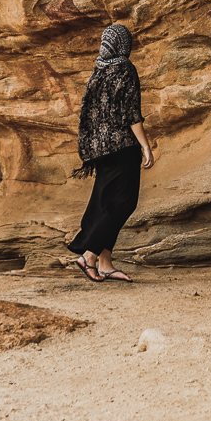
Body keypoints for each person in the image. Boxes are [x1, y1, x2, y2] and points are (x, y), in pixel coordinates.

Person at [68, 23, 154, 282]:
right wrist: (145, 145)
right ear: (124, 45)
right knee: (124, 202)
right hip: (122, 146)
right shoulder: (125, 69)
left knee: (105, 202)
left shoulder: (99, 70)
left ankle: (105, 263)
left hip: (100, 149)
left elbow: (88, 112)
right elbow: (131, 112)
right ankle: (89, 255)